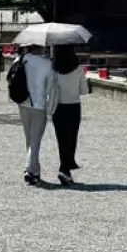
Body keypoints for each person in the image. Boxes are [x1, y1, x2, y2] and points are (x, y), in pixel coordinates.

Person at [47, 45, 89, 186]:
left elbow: (48, 88)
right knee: (72, 138)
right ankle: (66, 168)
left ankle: (64, 168)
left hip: (58, 107)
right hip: (74, 106)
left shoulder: (53, 69)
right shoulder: (78, 69)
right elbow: (84, 90)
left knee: (61, 138)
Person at [18, 45, 54, 185]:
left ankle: (35, 170)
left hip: (23, 102)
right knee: (36, 139)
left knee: (29, 138)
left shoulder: (21, 59)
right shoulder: (47, 63)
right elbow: (51, 86)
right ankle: (29, 169)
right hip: (39, 104)